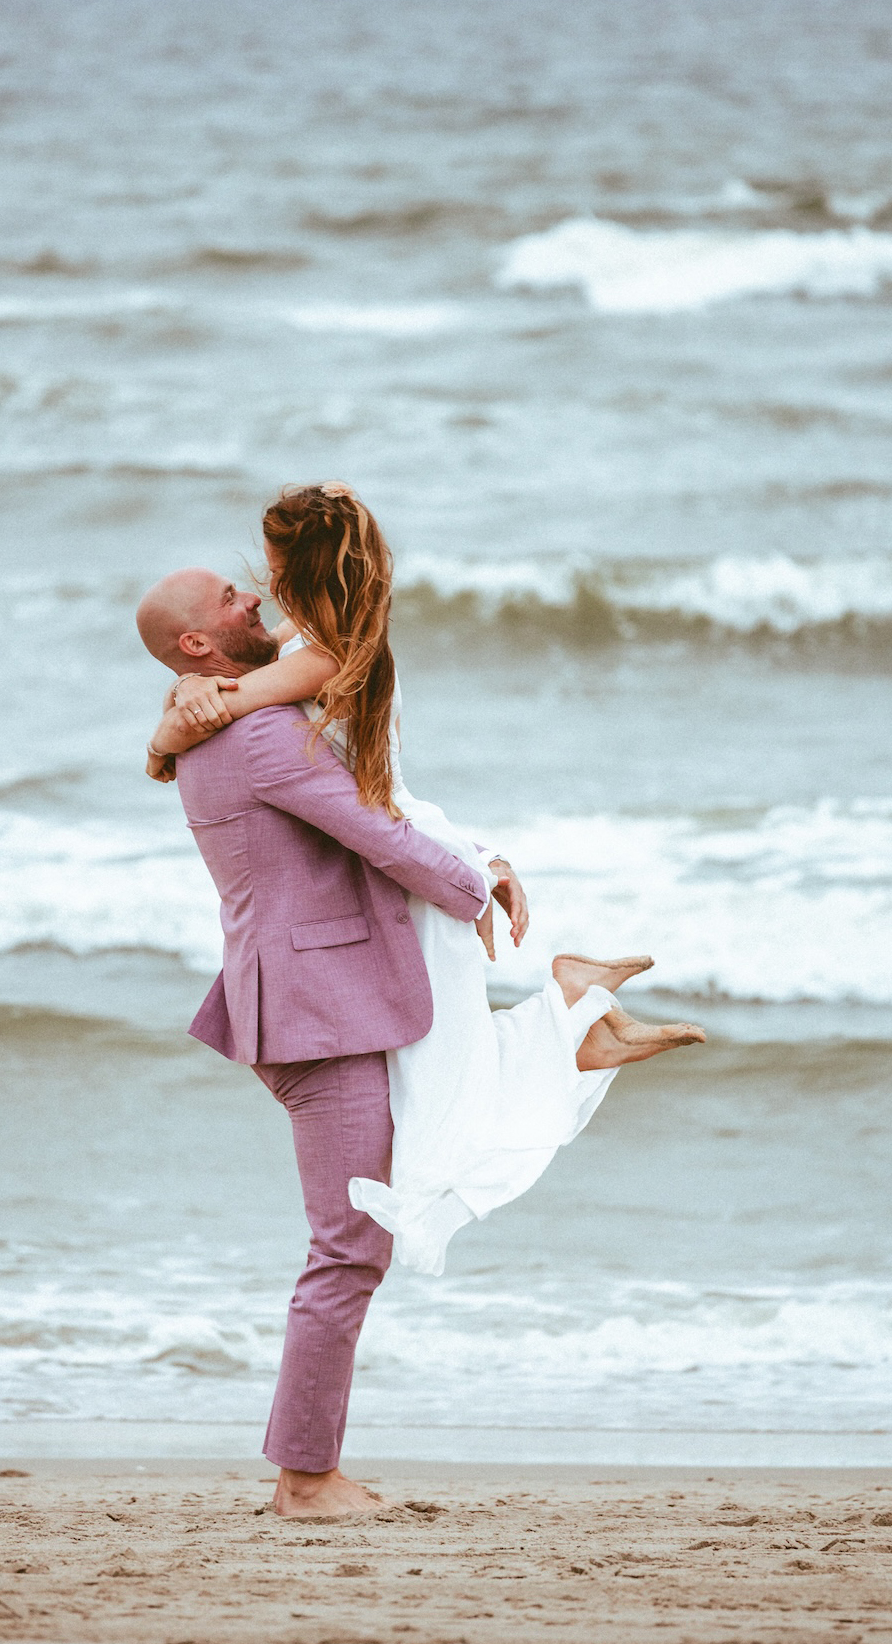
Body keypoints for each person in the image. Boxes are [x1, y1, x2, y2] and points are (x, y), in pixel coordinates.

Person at [136, 487, 703, 1517]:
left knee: (403, 1172)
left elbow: (378, 801)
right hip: (313, 1007)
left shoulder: (233, 716)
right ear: (195, 642)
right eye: (229, 598)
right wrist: (467, 886)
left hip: (326, 994)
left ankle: (561, 1029)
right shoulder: (255, 736)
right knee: (349, 1240)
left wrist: (475, 859)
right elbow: (373, 832)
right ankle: (305, 1479)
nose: (250, 597)